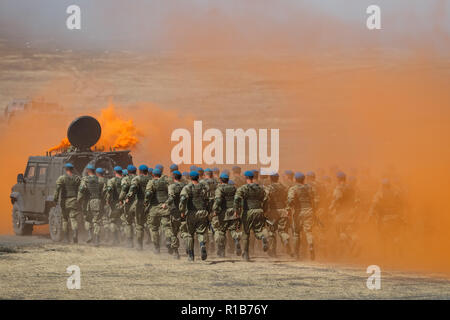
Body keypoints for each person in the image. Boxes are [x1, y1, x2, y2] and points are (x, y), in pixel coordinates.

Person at [234, 170, 269, 261]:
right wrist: (264, 210)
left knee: (246, 233)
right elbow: (265, 199)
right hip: (259, 210)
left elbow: (237, 198)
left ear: (246, 178)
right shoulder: (261, 188)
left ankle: (246, 254)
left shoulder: (243, 188)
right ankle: (263, 236)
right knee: (259, 230)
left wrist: (236, 210)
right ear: (253, 178)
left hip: (248, 212)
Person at [179, 171, 210, 261]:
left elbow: (183, 199)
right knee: (201, 232)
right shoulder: (204, 188)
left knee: (189, 234)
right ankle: (202, 245)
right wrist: (208, 211)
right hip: (203, 212)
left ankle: (191, 255)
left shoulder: (187, 188)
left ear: (190, 178)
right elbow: (208, 200)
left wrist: (182, 211)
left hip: (192, 213)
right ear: (198, 178)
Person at [286, 172, 316, 260]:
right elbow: (313, 199)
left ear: (295, 179)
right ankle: (310, 245)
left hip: (299, 212)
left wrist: (289, 208)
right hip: (309, 210)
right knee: (308, 231)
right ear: (304, 179)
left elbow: (290, 199)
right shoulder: (309, 188)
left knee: (296, 234)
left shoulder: (293, 189)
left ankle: (296, 254)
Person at [212, 172, 241, 257]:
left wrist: (215, 210)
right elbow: (238, 199)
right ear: (228, 180)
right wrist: (237, 210)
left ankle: (221, 252)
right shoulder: (234, 188)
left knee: (221, 231)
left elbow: (218, 201)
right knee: (232, 230)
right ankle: (236, 240)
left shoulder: (219, 189)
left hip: (223, 213)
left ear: (220, 180)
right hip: (233, 212)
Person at [144, 168, 173, 254]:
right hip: (164, 207)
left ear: (153, 174)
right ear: (161, 174)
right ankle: (168, 240)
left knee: (154, 228)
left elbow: (148, 193)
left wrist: (146, 202)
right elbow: (171, 194)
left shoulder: (151, 182)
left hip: (154, 208)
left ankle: (157, 248)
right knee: (167, 226)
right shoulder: (166, 182)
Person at [264, 172, 291, 256]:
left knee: (271, 231)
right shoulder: (284, 187)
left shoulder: (268, 188)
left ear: (270, 178)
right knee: (282, 230)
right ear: (278, 178)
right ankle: (286, 240)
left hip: (273, 211)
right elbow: (289, 198)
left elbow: (265, 199)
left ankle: (272, 251)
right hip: (283, 211)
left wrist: (265, 210)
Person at [78, 165, 105, 246]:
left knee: (87, 219)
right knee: (96, 220)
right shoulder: (100, 180)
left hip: (88, 202)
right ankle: (97, 240)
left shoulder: (85, 179)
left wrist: (79, 200)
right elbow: (104, 192)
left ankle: (90, 235)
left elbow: (81, 190)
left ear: (88, 171)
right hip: (98, 201)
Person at [53, 163, 81, 243]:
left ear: (66, 169)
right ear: (72, 169)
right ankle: (75, 235)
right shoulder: (77, 178)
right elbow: (81, 189)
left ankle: (66, 238)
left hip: (64, 202)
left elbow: (57, 189)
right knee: (73, 219)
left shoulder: (61, 178)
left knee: (65, 219)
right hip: (74, 201)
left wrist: (55, 199)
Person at [126, 164, 152, 250]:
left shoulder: (137, 179)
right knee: (151, 224)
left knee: (139, 225)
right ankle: (156, 246)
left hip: (140, 203)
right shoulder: (152, 179)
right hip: (151, 204)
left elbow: (133, 188)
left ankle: (140, 245)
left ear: (140, 171)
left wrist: (128, 197)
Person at [166, 170, 186, 259]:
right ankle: (189, 249)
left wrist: (165, 204)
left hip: (175, 211)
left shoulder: (171, 186)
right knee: (185, 231)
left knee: (174, 232)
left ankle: (176, 252)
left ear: (173, 178)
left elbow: (171, 197)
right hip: (184, 212)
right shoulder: (186, 186)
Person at [119, 165, 137, 248]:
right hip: (138, 203)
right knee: (139, 223)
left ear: (128, 172)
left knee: (128, 223)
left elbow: (123, 192)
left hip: (129, 203)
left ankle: (130, 242)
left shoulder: (125, 179)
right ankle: (140, 242)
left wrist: (120, 199)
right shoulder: (138, 178)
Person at [105, 166, 123, 245]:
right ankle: (125, 240)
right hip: (123, 203)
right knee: (123, 222)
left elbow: (109, 192)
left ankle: (115, 240)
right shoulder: (125, 180)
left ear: (115, 172)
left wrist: (108, 201)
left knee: (113, 221)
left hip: (115, 204)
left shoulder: (111, 181)